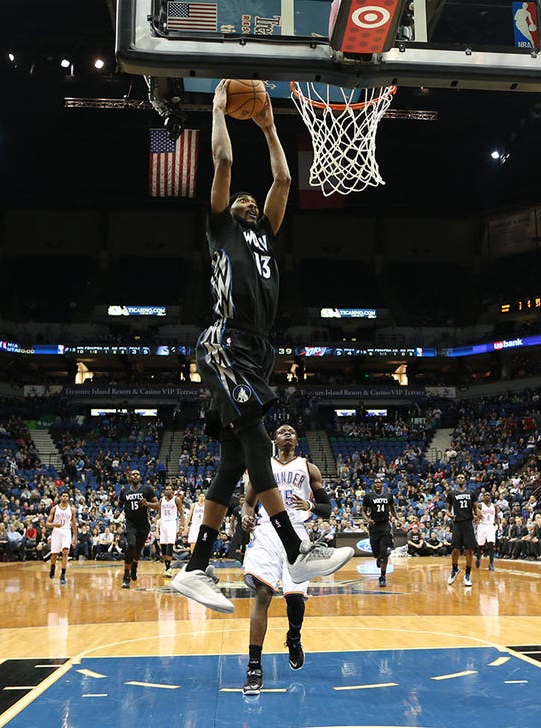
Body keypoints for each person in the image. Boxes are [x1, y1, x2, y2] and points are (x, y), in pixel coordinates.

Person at [170, 81, 352, 613]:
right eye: (242, 200)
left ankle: (196, 568)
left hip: (256, 349)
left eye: (253, 201)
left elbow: (284, 177)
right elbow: (224, 163)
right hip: (225, 341)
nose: (248, 201)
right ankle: (297, 550)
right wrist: (219, 112)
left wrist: (271, 127)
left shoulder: (269, 232)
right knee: (256, 442)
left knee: (231, 461)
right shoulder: (220, 228)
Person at [238, 424, 333, 695]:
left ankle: (293, 637)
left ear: (297, 439)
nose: (288, 433)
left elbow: (327, 509)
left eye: (292, 431)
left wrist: (312, 506)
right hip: (267, 532)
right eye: (282, 431)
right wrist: (246, 516)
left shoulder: (309, 468)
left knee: (294, 598)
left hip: (298, 534)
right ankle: (254, 668)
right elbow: (248, 502)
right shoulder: (262, 466)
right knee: (263, 594)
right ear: (274, 440)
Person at [119, 470, 159, 589]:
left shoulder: (147, 490)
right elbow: (119, 505)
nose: (135, 475)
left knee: (138, 550)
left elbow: (157, 505)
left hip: (143, 524)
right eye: (133, 474)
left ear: (140, 477)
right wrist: (116, 512)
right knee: (130, 545)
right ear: (129, 477)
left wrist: (147, 504)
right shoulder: (124, 491)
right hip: (130, 524)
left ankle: (135, 565)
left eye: (137, 474)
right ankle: (126, 576)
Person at [362, 478, 394, 587]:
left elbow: (393, 509)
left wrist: (398, 519)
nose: (378, 483)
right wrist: (367, 520)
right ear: (373, 485)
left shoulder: (388, 495)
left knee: (384, 551)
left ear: (382, 484)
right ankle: (379, 557)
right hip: (374, 526)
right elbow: (363, 511)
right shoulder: (368, 496)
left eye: (379, 482)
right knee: (376, 553)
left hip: (385, 525)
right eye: (376, 482)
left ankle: (382, 576)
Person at [447, 475, 476, 587]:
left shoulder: (471, 493)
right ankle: (454, 569)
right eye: (458, 477)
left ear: (465, 480)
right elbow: (448, 509)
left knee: (469, 550)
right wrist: (449, 514)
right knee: (455, 550)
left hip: (468, 523)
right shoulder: (452, 494)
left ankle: (467, 574)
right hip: (457, 524)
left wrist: (478, 513)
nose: (460, 479)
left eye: (462, 478)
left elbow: (475, 507)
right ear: (456, 480)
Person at [46, 491, 75, 585]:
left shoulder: (71, 509)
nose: (65, 497)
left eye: (67, 496)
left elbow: (74, 524)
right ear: (60, 497)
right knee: (54, 554)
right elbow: (47, 523)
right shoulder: (54, 508)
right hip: (56, 531)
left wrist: (75, 537)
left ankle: (63, 575)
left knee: (65, 552)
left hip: (66, 531)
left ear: (68, 498)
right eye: (63, 496)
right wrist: (54, 525)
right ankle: (52, 568)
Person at [158, 483, 184, 577]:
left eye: (170, 489)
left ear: (172, 491)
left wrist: (182, 526)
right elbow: (159, 513)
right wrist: (154, 521)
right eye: (166, 489)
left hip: (172, 523)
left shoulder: (176, 499)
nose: (168, 490)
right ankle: (167, 566)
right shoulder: (161, 500)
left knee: (170, 544)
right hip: (163, 523)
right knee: (163, 545)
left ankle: (168, 568)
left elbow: (181, 513)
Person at [475, 488, 498, 572]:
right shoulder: (480, 505)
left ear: (491, 497)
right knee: (480, 545)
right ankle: (478, 557)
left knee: (491, 544)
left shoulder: (494, 506)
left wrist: (498, 525)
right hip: (482, 526)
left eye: (488, 495)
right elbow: (473, 510)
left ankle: (491, 563)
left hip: (490, 526)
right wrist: (477, 513)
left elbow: (496, 517)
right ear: (483, 497)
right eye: (485, 495)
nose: (487, 496)